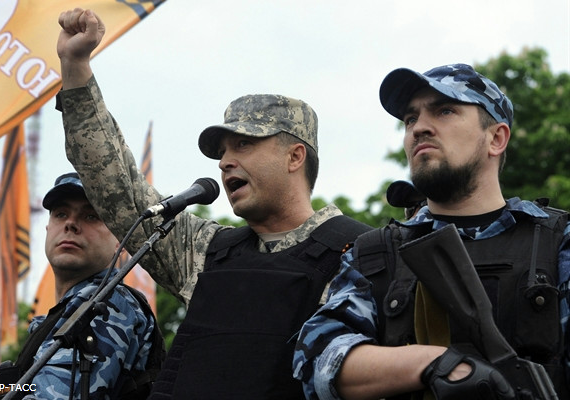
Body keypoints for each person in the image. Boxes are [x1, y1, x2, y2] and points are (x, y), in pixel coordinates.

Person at [55, 8, 371, 400]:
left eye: (244, 144)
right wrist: (75, 66)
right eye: (222, 151)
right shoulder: (206, 251)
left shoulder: (364, 254)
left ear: (295, 157)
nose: (224, 162)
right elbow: (114, 183)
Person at [293, 63, 570, 399]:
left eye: (445, 111)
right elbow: (318, 361)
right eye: (411, 119)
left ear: (496, 138)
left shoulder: (559, 242)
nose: (419, 128)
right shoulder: (374, 254)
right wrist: (436, 364)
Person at [0, 172, 163, 400]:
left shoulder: (106, 304)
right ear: (48, 228)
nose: (70, 224)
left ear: (120, 241)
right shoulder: (70, 308)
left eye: (91, 216)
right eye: (61, 214)